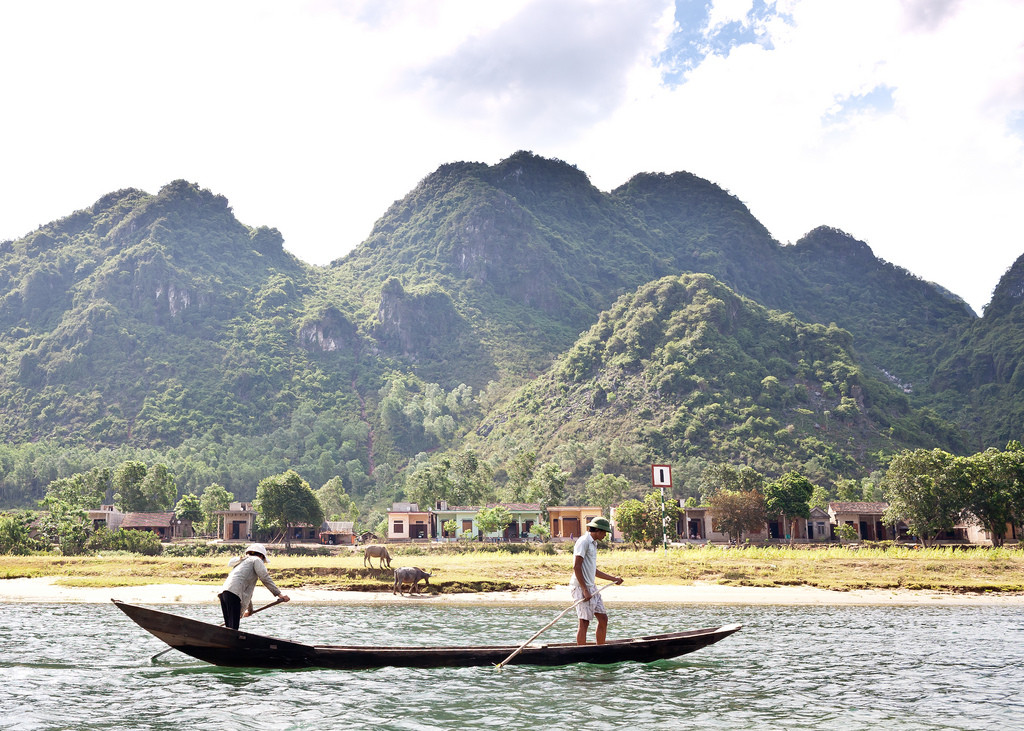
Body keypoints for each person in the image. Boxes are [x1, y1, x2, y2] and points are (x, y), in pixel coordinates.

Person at [570, 517, 623, 645]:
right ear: (598, 530)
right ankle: (582, 652)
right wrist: (584, 590)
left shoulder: (594, 543)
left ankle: (601, 648)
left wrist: (614, 579)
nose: (605, 535)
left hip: (591, 587)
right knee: (584, 622)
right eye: (604, 532)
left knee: (603, 618)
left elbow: (593, 570)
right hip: (580, 587)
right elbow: (576, 567)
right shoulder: (584, 542)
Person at [218, 542, 289, 630]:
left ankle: (226, 642)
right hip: (233, 595)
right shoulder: (256, 560)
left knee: (229, 627)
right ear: (261, 556)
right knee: (233, 629)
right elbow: (265, 578)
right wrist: (279, 594)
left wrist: (249, 610)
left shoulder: (243, 562)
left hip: (223, 594)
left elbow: (245, 592)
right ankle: (232, 642)